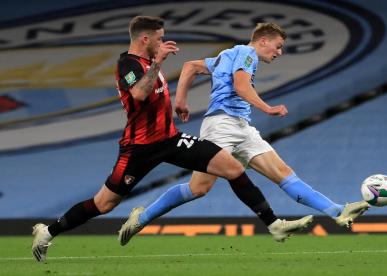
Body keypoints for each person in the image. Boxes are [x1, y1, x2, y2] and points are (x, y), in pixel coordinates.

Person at [31, 16, 312, 263]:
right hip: (139, 148)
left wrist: (179, 103)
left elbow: (157, 93)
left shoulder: (147, 62)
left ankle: (273, 224)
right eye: (159, 38)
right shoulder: (128, 63)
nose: (163, 42)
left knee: (233, 169)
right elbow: (139, 94)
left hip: (170, 139)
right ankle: (48, 231)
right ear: (145, 38)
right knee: (104, 204)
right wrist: (158, 62)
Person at [118, 22, 370, 246]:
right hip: (221, 126)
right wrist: (267, 108)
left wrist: (181, 100)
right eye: (278, 46)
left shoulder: (230, 54)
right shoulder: (247, 54)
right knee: (199, 188)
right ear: (263, 40)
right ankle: (142, 218)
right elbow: (240, 86)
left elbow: (190, 66)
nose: (279, 52)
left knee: (283, 174)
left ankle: (337, 211)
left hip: (241, 126)